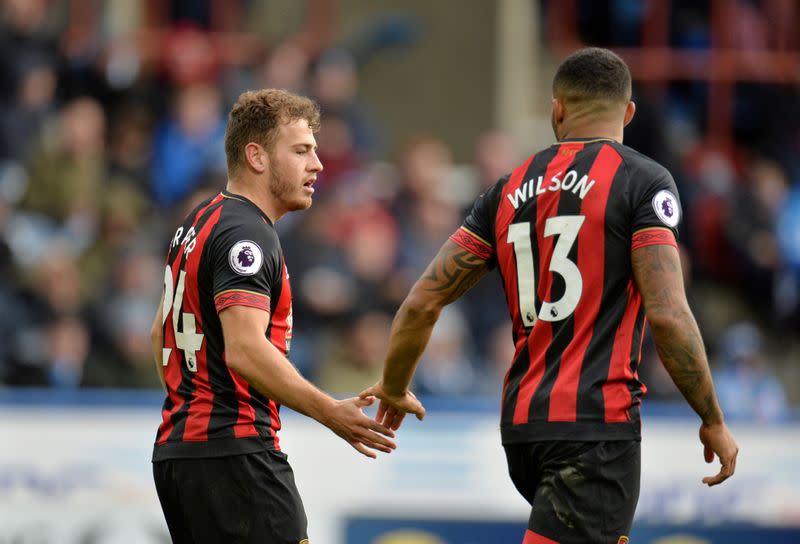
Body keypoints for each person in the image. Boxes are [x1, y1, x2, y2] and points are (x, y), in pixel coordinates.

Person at [361, 48, 739, 544]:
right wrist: (712, 417)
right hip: (594, 428)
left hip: (522, 427)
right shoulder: (643, 182)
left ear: (557, 108)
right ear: (627, 112)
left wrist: (393, 385)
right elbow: (668, 315)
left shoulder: (508, 187)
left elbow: (421, 302)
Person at [149, 89, 396, 544]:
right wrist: (330, 412)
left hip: (181, 455)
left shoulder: (197, 222)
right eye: (301, 151)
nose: (317, 165)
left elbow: (158, 333)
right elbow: (244, 348)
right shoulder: (248, 234)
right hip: (236, 455)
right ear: (257, 156)